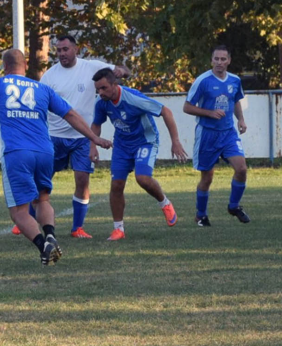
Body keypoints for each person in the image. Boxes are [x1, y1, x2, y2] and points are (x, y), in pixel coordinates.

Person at [0, 49, 113, 265]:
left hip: (17, 153)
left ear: (5, 66)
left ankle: (43, 246)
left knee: (19, 212)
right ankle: (50, 235)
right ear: (25, 65)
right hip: (44, 151)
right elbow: (70, 114)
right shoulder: (41, 88)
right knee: (43, 199)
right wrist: (94, 138)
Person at [28, 34, 131, 239]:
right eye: (58, 50)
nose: (62, 54)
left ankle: (77, 228)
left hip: (83, 137)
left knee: (82, 180)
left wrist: (121, 71)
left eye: (65, 49)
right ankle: (27, 219)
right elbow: (39, 104)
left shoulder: (91, 67)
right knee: (42, 180)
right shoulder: (49, 76)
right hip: (54, 136)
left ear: (76, 49)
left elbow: (123, 72)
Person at [91, 68, 189, 240]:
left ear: (115, 84)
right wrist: (93, 145)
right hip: (121, 145)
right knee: (116, 186)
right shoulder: (102, 104)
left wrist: (176, 141)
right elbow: (96, 125)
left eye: (104, 88)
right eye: (97, 89)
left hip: (145, 141)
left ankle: (164, 203)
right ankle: (118, 229)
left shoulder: (133, 98)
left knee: (142, 178)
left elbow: (166, 111)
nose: (100, 93)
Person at [183, 45, 250, 226]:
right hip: (207, 134)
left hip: (228, 133)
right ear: (211, 60)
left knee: (241, 168)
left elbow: (235, 100)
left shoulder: (235, 80)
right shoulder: (202, 81)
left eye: (223, 59)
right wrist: (209, 112)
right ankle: (201, 215)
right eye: (216, 59)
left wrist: (241, 120)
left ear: (229, 61)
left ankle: (234, 206)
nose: (219, 62)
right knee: (207, 178)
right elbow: (187, 107)